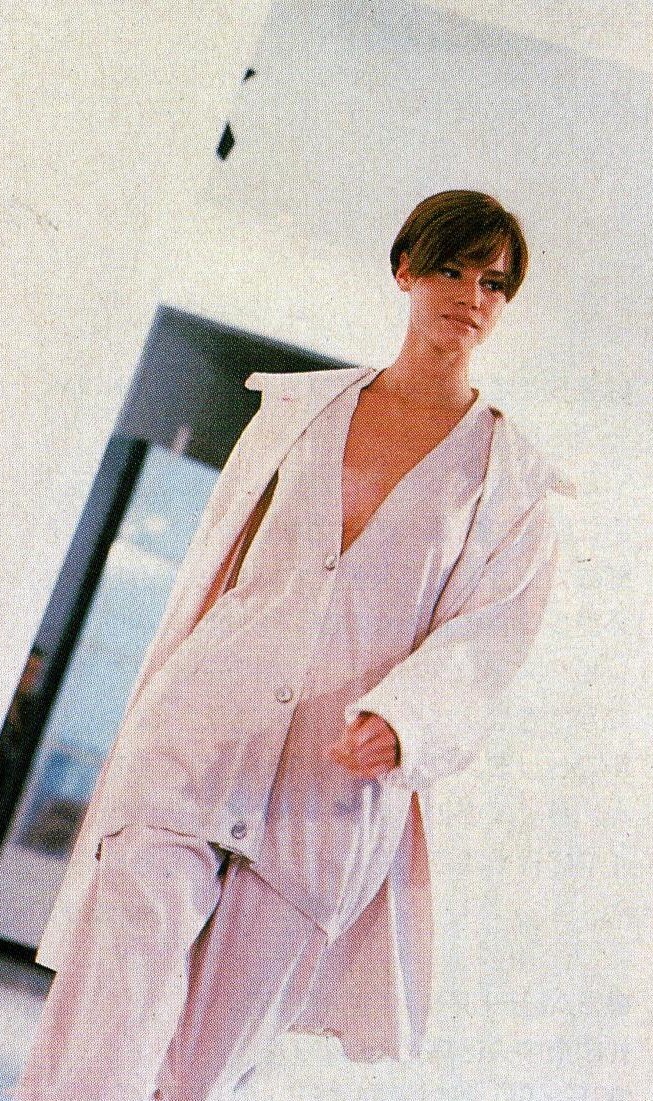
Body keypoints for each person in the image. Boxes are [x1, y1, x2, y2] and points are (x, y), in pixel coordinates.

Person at [16, 191, 569, 1101]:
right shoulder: (294, 411)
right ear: (404, 270)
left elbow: (486, 644)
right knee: (108, 1015)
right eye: (450, 268)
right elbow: (216, 565)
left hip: (332, 794)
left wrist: (405, 720)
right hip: (197, 738)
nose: (471, 295)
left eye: (494, 283)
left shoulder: (511, 483)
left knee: (201, 1070)